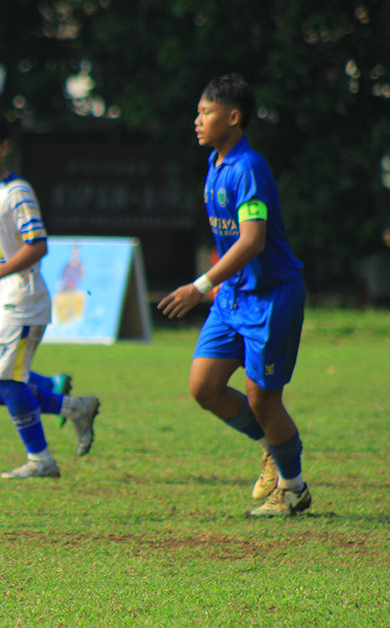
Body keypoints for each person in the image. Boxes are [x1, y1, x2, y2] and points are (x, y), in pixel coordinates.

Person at [158, 74, 311, 517]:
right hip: (235, 296)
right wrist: (220, 282)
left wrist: (200, 284)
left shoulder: (248, 167)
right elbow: (228, 242)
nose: (197, 120)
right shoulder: (216, 164)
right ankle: (270, 448)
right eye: (199, 112)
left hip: (271, 296)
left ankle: (294, 488)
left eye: (205, 112)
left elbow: (252, 242)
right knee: (204, 387)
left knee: (264, 399)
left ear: (233, 116)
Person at [0, 107, 100, 477]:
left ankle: (40, 460)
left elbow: (36, 245)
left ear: (4, 146)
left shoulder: (17, 191)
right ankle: (73, 407)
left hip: (23, 298)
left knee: (8, 380)